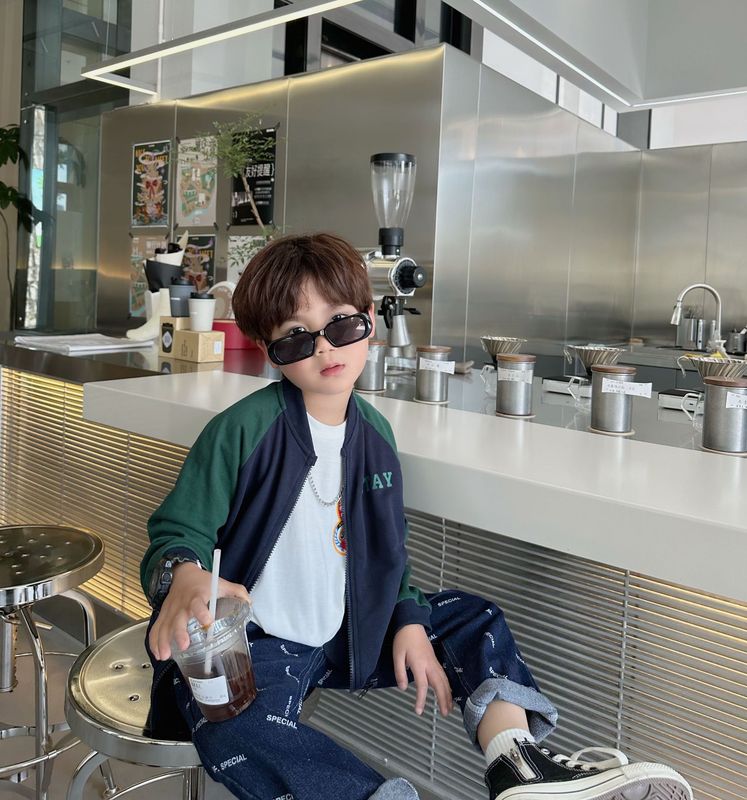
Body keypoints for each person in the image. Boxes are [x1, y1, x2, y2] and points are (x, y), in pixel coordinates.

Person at [141, 233, 692, 800]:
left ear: (369, 321)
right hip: (254, 643)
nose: (325, 350)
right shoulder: (241, 431)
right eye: (298, 338)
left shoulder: (376, 436)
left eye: (341, 325)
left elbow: (389, 549)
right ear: (266, 348)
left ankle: (519, 765)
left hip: (349, 629)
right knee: (236, 728)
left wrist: (407, 618)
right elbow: (178, 531)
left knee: (474, 621)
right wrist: (184, 576)